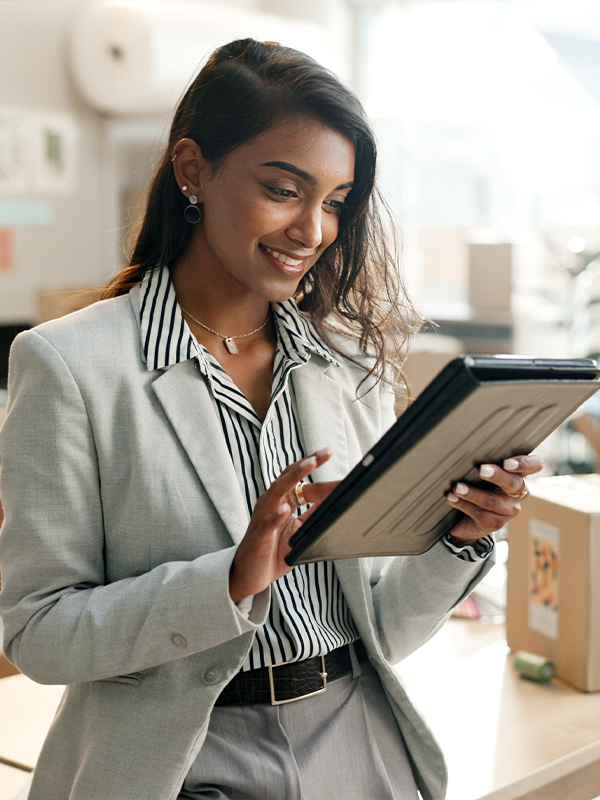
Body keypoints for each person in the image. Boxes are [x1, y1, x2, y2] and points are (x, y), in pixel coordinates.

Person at [0, 39, 541, 800]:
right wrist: (227, 579)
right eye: (285, 190)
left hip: (359, 744)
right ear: (193, 171)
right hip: (183, 764)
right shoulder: (68, 365)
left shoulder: (347, 364)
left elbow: (381, 631)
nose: (313, 230)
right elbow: (36, 634)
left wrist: (459, 541)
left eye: (335, 202)